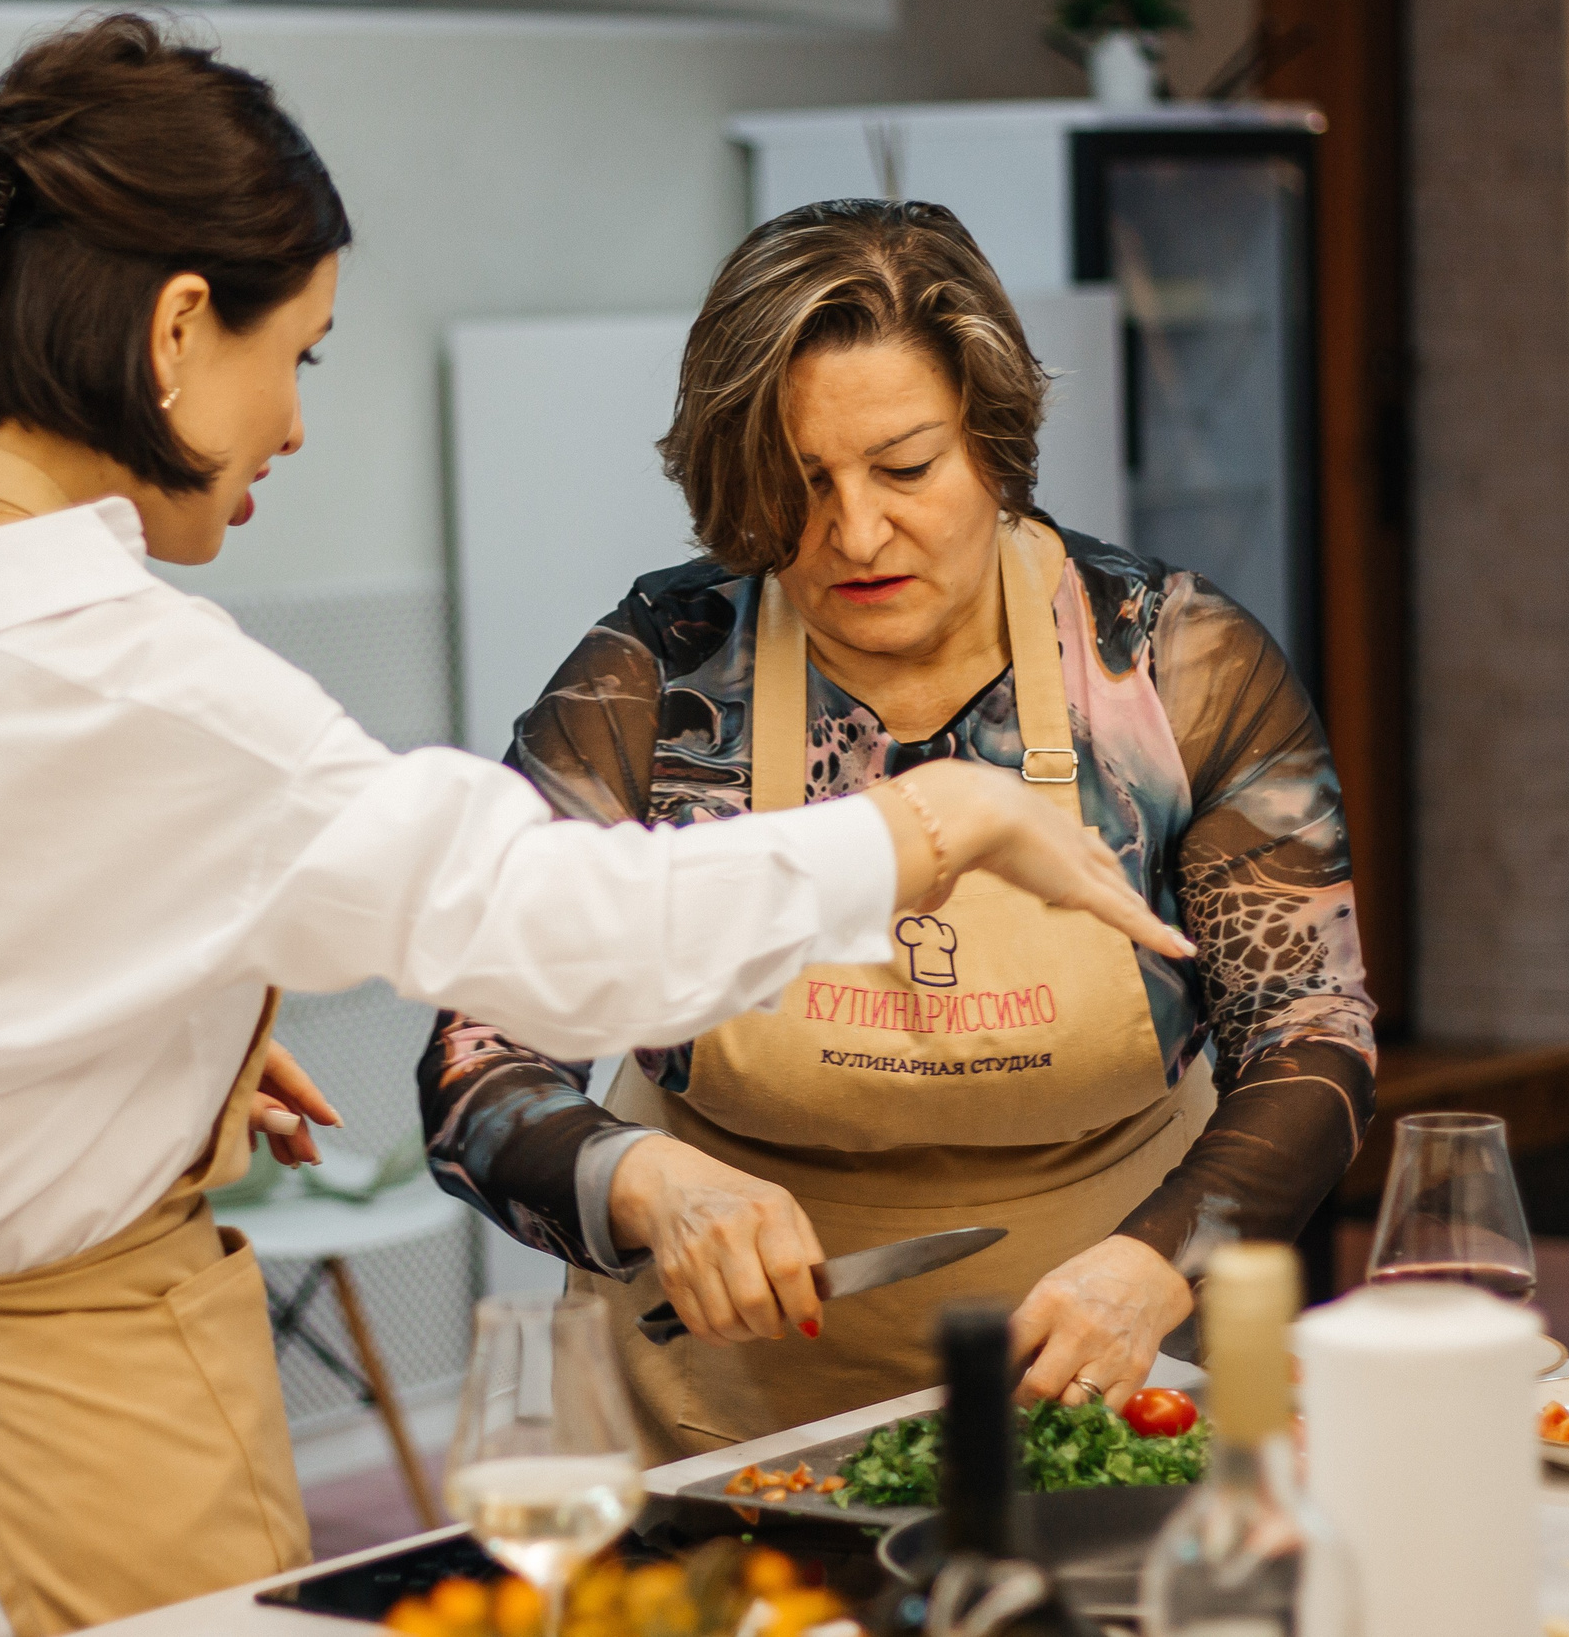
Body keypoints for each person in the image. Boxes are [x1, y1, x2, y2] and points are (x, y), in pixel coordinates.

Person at [0, 19, 1188, 1637]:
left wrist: (94, 1054)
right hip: (84, 1464)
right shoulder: (138, 681)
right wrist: (929, 817)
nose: (292, 424)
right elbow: (567, 933)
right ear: (178, 327)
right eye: (301, 354)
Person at [418, 199, 1380, 1461]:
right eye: (797, 484)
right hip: (719, 1422)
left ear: (992, 444)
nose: (855, 534)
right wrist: (639, 1180)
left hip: (1111, 1390)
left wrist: (1157, 1262)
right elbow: (478, 1057)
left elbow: (1311, 1028)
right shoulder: (656, 677)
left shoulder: (1172, 666)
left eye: (907, 469)